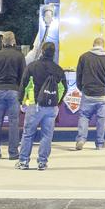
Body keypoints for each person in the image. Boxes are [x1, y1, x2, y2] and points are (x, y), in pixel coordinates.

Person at [17, 41, 66, 171]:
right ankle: (42, 162)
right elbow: (63, 88)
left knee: (28, 134)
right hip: (51, 107)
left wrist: (22, 101)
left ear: (42, 51)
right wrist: (57, 101)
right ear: (54, 53)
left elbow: (24, 85)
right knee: (47, 135)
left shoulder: (32, 67)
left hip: (35, 105)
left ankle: (23, 161)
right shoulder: (58, 69)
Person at [0, 31, 27, 161]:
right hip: (14, 91)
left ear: (2, 42)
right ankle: (13, 153)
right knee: (13, 122)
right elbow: (23, 76)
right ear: (14, 41)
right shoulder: (19, 56)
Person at [74, 36, 105, 150]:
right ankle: (100, 143)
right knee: (101, 119)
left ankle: (81, 139)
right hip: (103, 94)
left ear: (93, 45)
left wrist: (82, 88)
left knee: (84, 116)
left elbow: (79, 75)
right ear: (103, 46)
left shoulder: (84, 57)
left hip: (88, 93)